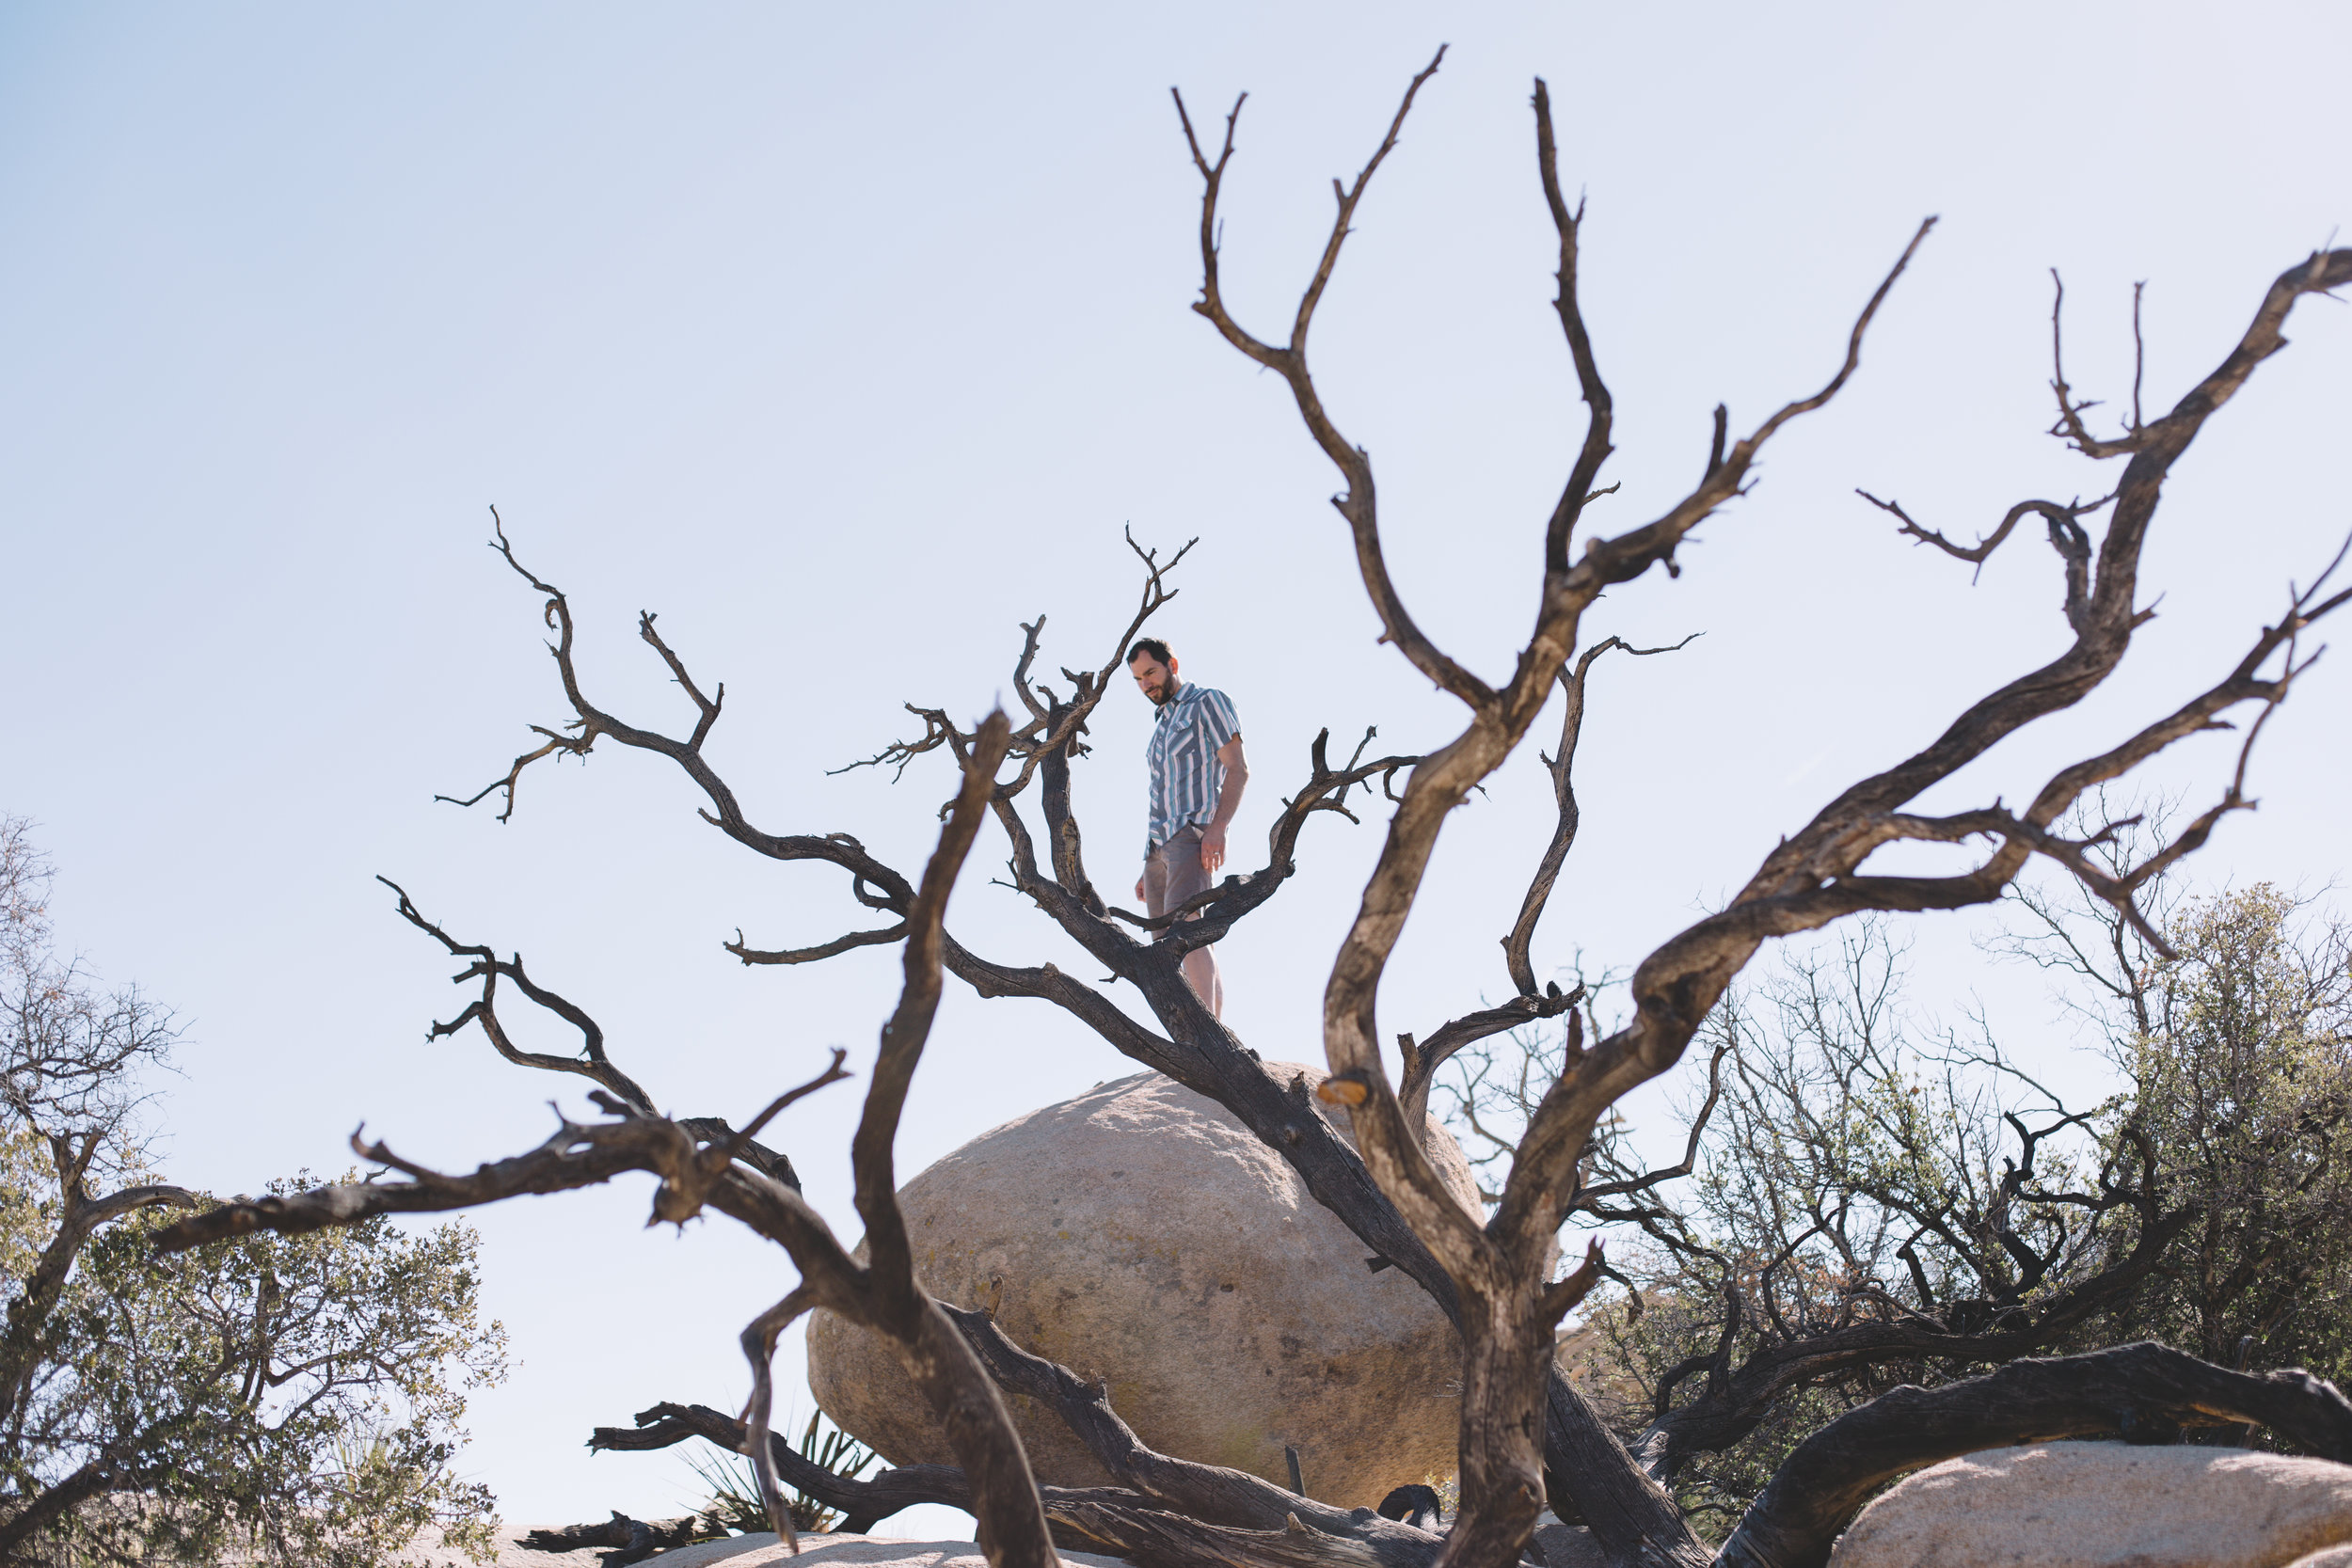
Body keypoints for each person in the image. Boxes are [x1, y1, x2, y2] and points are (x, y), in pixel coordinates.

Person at [1127, 637, 1248, 1019]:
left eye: (1151, 672)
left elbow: (1237, 769)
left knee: (1190, 933)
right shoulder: (1161, 723)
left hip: (1191, 834)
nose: (1146, 684)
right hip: (1158, 846)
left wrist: (1219, 828)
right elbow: (1161, 794)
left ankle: (1211, 1036)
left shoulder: (1205, 702)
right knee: (1162, 951)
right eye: (1138, 679)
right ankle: (1187, 1041)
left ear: (1172, 665)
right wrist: (1149, 862)